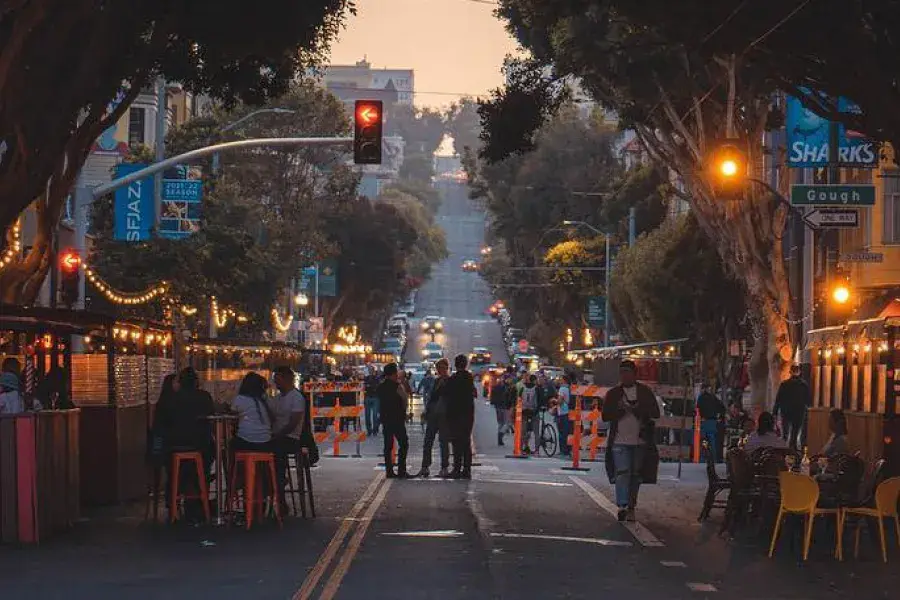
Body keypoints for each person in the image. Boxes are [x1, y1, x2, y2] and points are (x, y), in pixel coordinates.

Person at [602, 360, 660, 522]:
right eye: (622, 373)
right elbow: (605, 415)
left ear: (635, 374)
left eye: (627, 372)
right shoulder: (614, 393)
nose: (624, 376)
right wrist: (619, 410)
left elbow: (655, 413)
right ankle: (622, 505)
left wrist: (637, 410)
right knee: (622, 471)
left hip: (640, 441)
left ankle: (631, 505)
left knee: (635, 474)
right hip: (619, 440)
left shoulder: (645, 392)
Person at [270, 366, 307, 501]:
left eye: (278, 380)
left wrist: (277, 434)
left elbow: (293, 424)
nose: (276, 383)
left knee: (276, 448)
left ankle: (279, 480)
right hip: (277, 436)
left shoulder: (296, 398)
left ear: (287, 379)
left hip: (291, 438)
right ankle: (273, 481)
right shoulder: (277, 398)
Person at [417, 358, 451, 477]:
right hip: (433, 414)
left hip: (444, 415)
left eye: (442, 368)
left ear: (447, 368)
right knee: (428, 441)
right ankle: (425, 466)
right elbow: (432, 398)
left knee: (443, 442)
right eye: (438, 368)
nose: (440, 371)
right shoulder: (436, 381)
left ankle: (444, 467)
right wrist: (426, 411)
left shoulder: (450, 381)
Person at [444, 354, 477, 478]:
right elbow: (474, 393)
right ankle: (467, 469)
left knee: (456, 442)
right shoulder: (469, 379)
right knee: (466, 441)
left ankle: (457, 468)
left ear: (456, 365)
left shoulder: (453, 379)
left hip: (455, 414)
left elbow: (446, 394)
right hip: (468, 414)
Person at [377, 363, 409, 478]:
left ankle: (389, 471)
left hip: (386, 419)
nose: (397, 375)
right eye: (395, 373)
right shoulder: (397, 386)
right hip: (397, 419)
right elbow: (404, 399)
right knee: (404, 443)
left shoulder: (381, 387)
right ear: (392, 374)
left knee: (388, 445)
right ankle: (401, 470)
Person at [229, 372, 274, 453]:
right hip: (266, 440)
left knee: (229, 445)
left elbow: (233, 417)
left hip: (246, 440)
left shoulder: (240, 399)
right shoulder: (265, 399)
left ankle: (234, 465)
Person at [773, 364, 811, 449]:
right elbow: (808, 400)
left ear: (790, 372)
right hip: (799, 412)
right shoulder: (803, 385)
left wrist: (775, 412)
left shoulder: (784, 384)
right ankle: (792, 450)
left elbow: (778, 399)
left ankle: (783, 449)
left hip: (786, 411)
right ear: (799, 372)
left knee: (785, 433)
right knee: (795, 433)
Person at [696, 383, 726, 462]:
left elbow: (698, 408)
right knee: (712, 440)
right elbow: (722, 407)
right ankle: (713, 458)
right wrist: (718, 415)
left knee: (703, 440)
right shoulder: (713, 397)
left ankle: (703, 458)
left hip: (704, 420)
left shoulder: (701, 397)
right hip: (713, 420)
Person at [489, 366, 513, 446]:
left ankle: (500, 438)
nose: (510, 380)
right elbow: (510, 397)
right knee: (507, 423)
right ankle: (500, 434)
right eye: (509, 379)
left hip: (498, 406)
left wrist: (493, 402)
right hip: (504, 406)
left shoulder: (497, 386)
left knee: (501, 423)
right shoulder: (508, 387)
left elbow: (492, 394)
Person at [520, 374, 539, 454]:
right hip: (533, 411)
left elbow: (519, 398)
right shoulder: (536, 388)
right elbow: (539, 400)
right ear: (534, 380)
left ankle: (522, 447)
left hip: (524, 411)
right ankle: (537, 450)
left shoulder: (522, 387)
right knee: (536, 432)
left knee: (523, 431)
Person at [556, 374, 573, 456]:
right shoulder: (570, 388)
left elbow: (560, 401)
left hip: (562, 411)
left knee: (561, 432)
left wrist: (554, 402)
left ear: (564, 380)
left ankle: (562, 450)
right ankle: (568, 450)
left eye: (561, 379)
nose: (559, 380)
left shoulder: (562, 388)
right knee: (568, 432)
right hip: (569, 412)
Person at [363, 366, 381, 436]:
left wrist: (369, 386)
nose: (370, 371)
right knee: (367, 415)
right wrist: (371, 387)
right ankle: (369, 430)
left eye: (371, 370)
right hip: (368, 397)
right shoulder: (366, 378)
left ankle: (375, 430)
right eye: (369, 370)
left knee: (375, 415)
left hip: (375, 397)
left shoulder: (377, 378)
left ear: (373, 371)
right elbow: (365, 387)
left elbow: (377, 387)